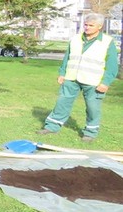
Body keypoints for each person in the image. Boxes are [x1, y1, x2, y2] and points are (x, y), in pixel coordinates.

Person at [37, 13, 118, 142]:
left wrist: (105, 82)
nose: (87, 27)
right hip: (71, 78)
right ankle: (51, 127)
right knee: (62, 103)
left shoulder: (107, 42)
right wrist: (62, 73)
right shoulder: (75, 39)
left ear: (99, 27)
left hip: (94, 81)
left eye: (91, 25)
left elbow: (112, 65)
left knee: (93, 108)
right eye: (85, 25)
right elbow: (67, 57)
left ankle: (90, 133)